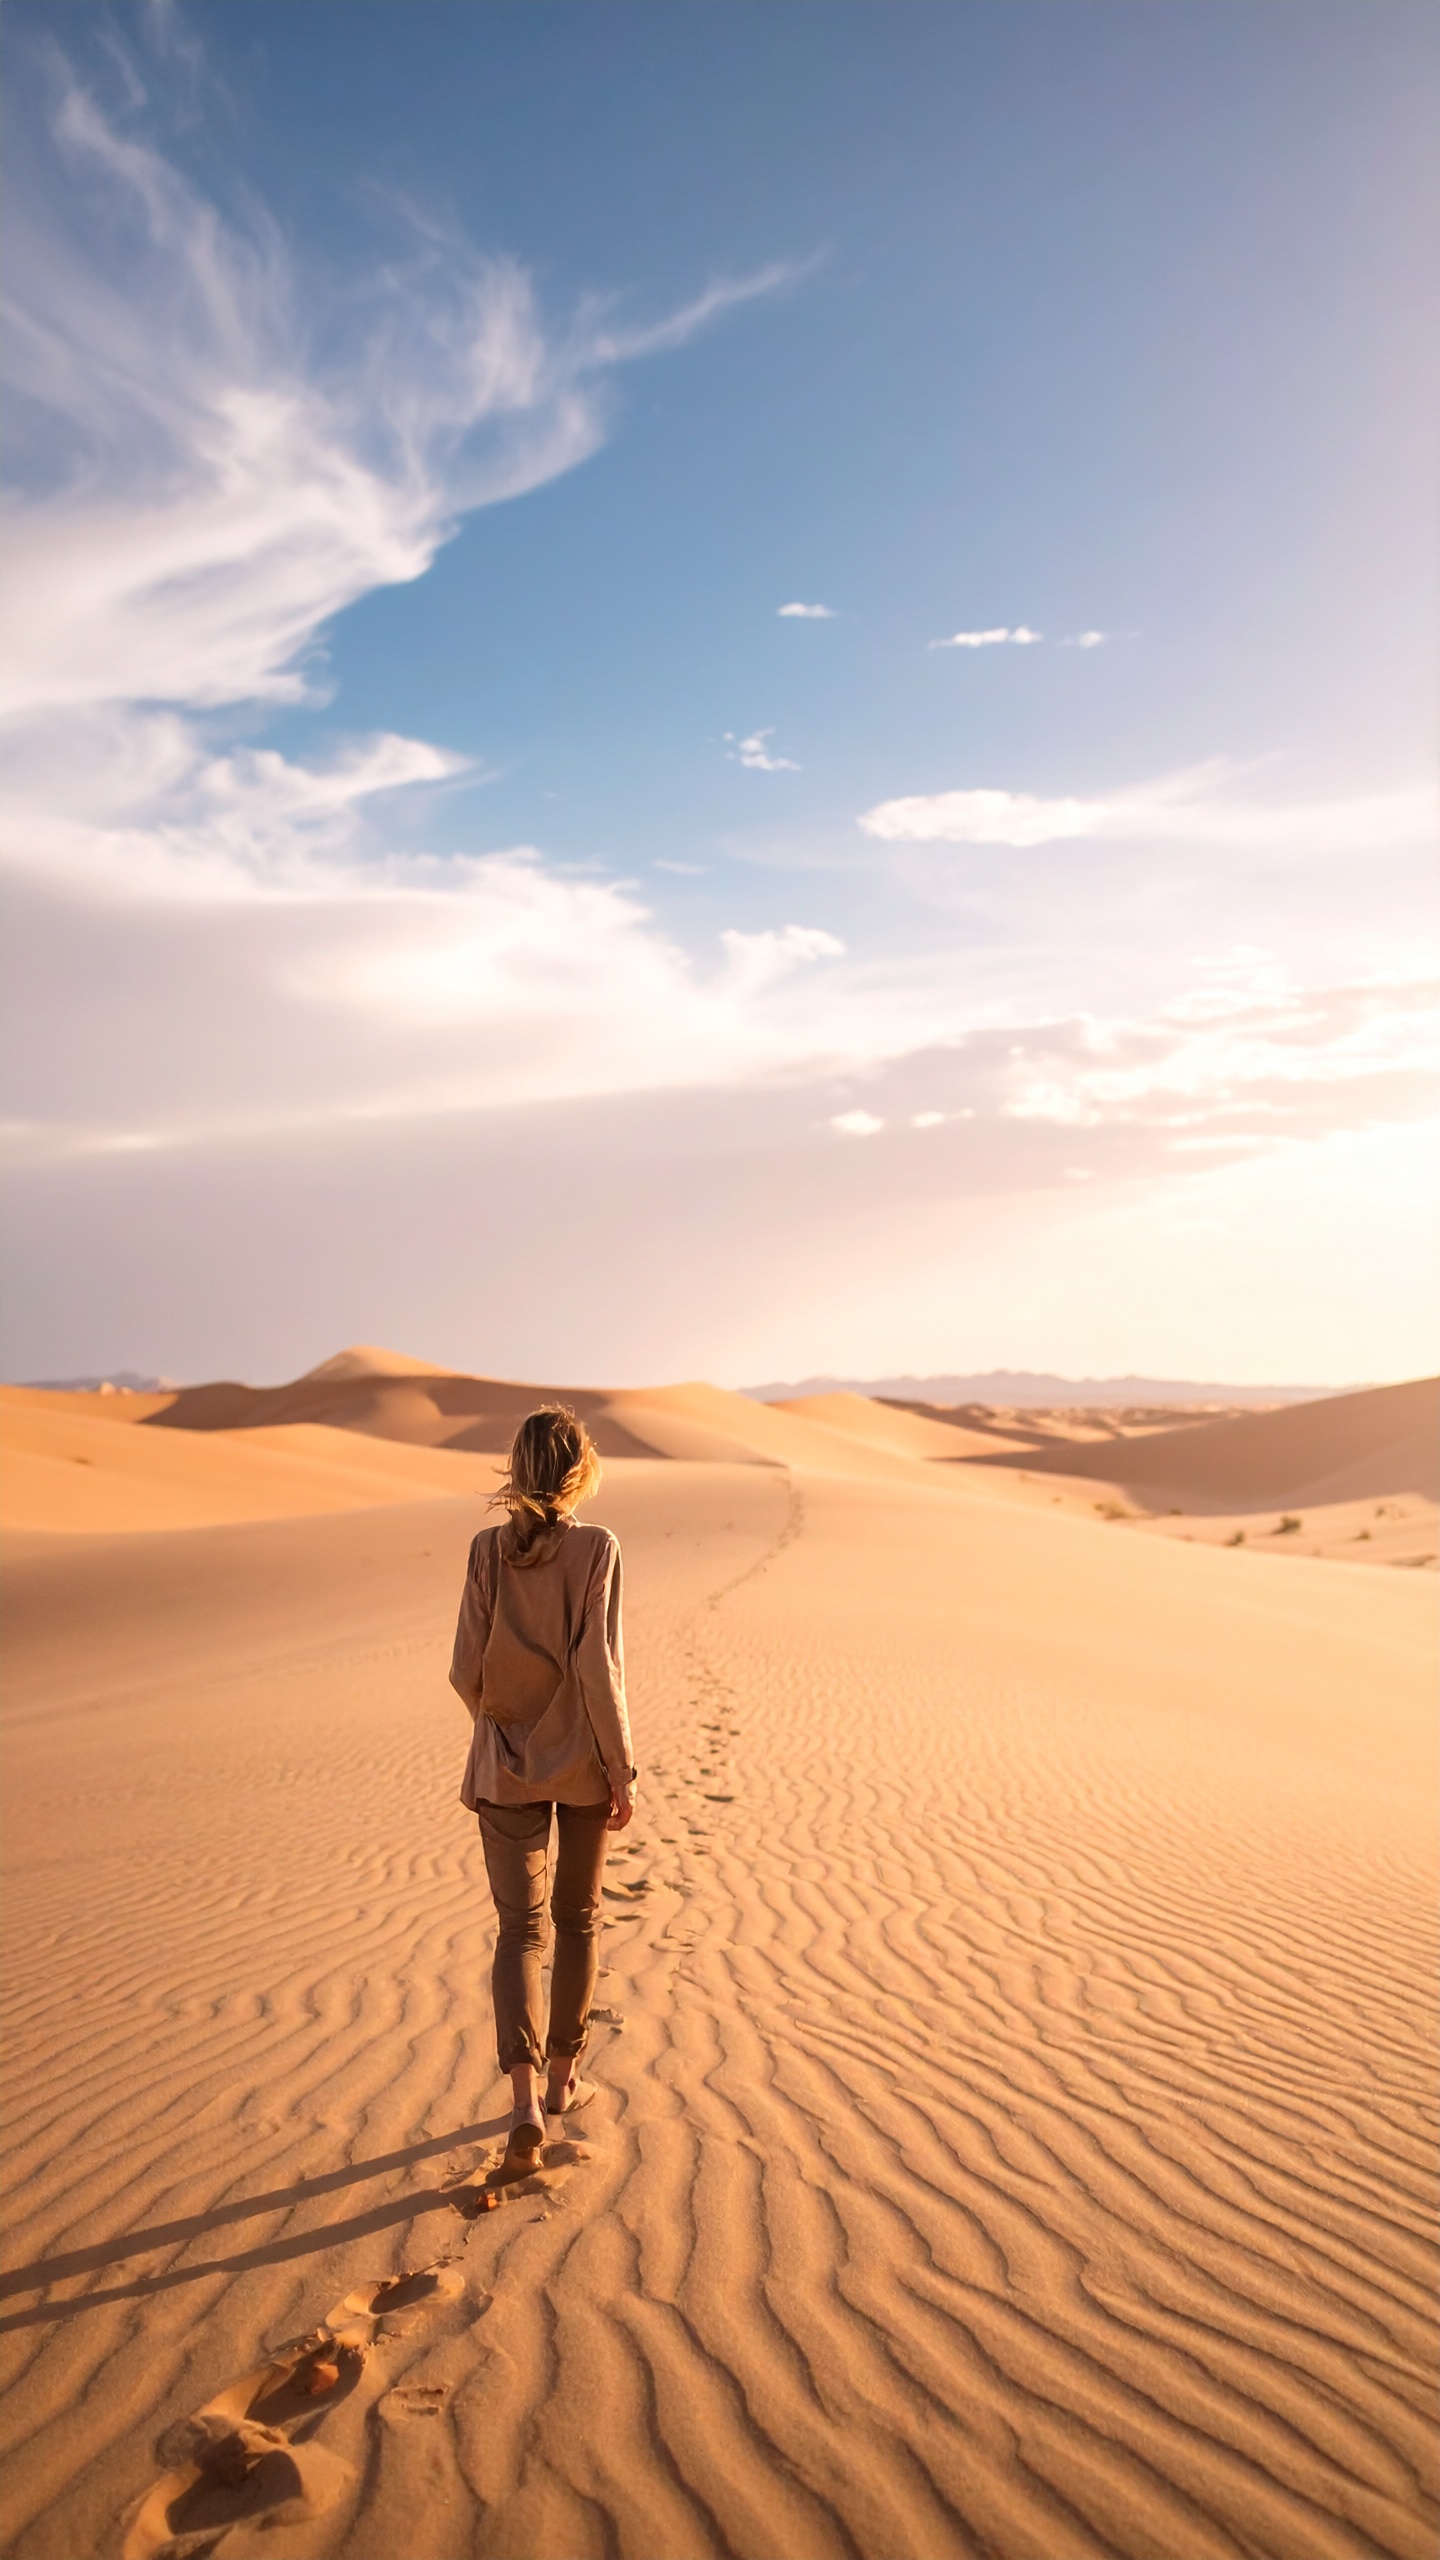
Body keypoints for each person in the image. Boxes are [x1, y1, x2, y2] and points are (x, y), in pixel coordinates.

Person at [449, 1405, 636, 2177]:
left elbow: (465, 1668)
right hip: (583, 1763)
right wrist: (620, 1768)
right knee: (578, 1921)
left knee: (518, 1933)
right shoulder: (599, 1547)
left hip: (504, 1766)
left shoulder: (488, 1550)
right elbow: (599, 1666)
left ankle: (523, 2101)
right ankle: (564, 2081)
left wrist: (499, 1729)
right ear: (579, 1467)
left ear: (518, 1469)